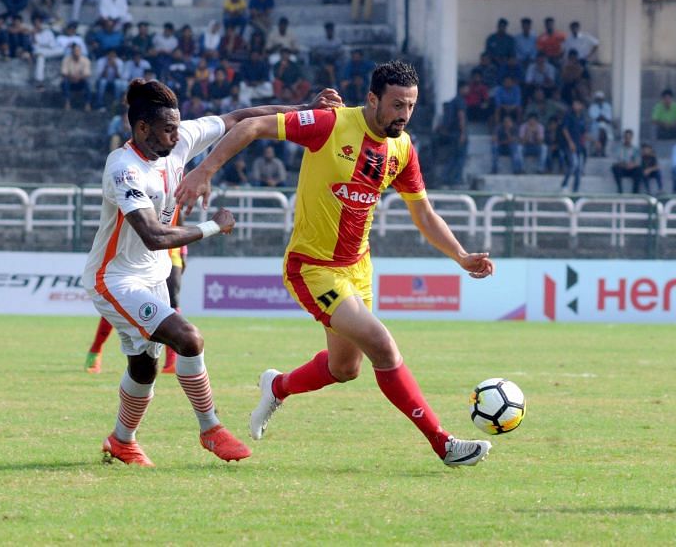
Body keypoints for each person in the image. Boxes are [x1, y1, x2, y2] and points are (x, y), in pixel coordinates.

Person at [176, 60, 495, 468]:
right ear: (372, 99)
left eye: (411, 106)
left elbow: (425, 214)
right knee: (382, 344)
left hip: (358, 268)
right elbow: (251, 127)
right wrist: (205, 170)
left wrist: (461, 255)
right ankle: (443, 443)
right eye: (397, 104)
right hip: (312, 267)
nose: (403, 114)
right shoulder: (328, 124)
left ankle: (277, 386)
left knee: (346, 369)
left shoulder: (402, 147)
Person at [83, 78, 342, 467]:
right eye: (168, 129)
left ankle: (122, 441)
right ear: (142, 129)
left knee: (144, 365)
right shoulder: (123, 169)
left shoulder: (179, 138)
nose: (177, 135)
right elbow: (153, 235)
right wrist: (213, 227)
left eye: (177, 126)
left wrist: (305, 109)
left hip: (152, 276)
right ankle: (211, 428)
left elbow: (241, 118)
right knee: (189, 338)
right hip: (115, 279)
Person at [85, 246, 188, 374]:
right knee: (118, 305)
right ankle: (96, 350)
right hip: (137, 257)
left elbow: (177, 225)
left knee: (172, 305)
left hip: (171, 256)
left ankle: (170, 363)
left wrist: (183, 253)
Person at [435, 82, 468, 188]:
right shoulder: (460, 101)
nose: (468, 90)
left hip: (452, 134)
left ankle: (446, 178)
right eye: (466, 88)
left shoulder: (453, 102)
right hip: (459, 134)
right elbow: (461, 117)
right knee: (459, 158)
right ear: (462, 88)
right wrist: (463, 133)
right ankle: (456, 180)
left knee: (453, 157)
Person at [560, 98, 587, 193]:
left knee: (579, 169)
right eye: (574, 104)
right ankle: (564, 184)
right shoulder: (569, 116)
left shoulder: (582, 117)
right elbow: (565, 130)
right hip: (570, 145)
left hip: (579, 146)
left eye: (577, 104)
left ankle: (576, 190)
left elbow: (583, 132)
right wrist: (570, 142)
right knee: (573, 164)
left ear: (581, 106)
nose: (575, 106)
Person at [31, 15, 64, 89]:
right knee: (40, 57)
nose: (37, 25)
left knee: (64, 51)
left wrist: (43, 45)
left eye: (39, 22)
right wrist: (34, 36)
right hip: (40, 52)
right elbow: (35, 48)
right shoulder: (33, 34)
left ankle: (62, 77)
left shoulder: (48, 32)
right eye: (35, 23)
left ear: (41, 23)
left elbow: (52, 45)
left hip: (50, 51)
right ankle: (39, 82)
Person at [60, 43, 92, 111]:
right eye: (75, 51)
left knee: (87, 82)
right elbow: (64, 72)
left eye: (78, 50)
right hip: (70, 81)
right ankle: (67, 103)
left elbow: (87, 73)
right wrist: (72, 77)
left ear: (80, 51)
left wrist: (79, 77)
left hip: (80, 81)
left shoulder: (85, 60)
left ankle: (87, 104)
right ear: (72, 51)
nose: (76, 52)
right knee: (64, 81)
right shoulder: (66, 59)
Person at [610, 129, 641, 194]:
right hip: (622, 169)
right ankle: (620, 190)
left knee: (639, 170)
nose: (627, 139)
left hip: (631, 169)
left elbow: (638, 162)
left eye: (629, 137)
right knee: (615, 168)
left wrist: (632, 165)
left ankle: (635, 192)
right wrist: (623, 165)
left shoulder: (635, 149)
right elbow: (614, 162)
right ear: (624, 137)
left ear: (632, 138)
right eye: (626, 137)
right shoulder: (619, 148)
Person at [588, 91, 613, 157]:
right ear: (596, 99)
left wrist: (602, 117)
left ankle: (603, 151)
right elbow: (596, 118)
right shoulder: (592, 107)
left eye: (601, 99)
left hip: (606, 126)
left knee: (607, 135)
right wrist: (602, 117)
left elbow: (608, 119)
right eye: (598, 99)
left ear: (603, 99)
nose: (600, 100)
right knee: (598, 133)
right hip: (595, 127)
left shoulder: (607, 106)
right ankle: (597, 151)